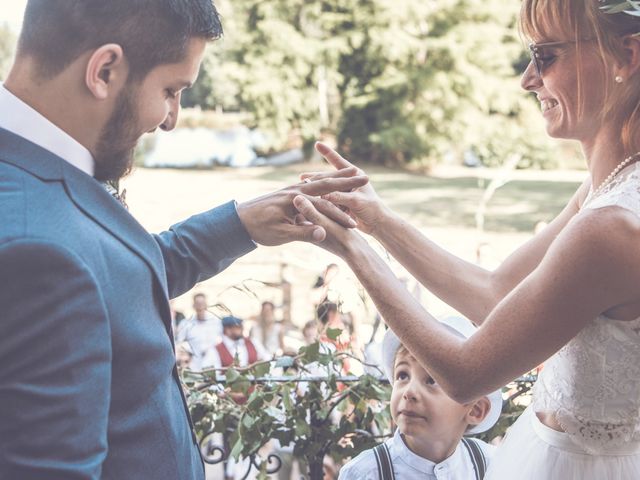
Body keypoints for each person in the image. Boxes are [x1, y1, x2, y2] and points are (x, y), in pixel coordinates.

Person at [0, 1, 367, 478]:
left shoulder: (34, 170)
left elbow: (108, 283)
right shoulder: (36, 250)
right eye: (171, 90)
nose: (171, 118)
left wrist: (239, 224)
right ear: (105, 70)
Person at [292, 1, 640, 478]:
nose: (527, 79)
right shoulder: (610, 189)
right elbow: (495, 295)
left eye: (545, 55)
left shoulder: (612, 225)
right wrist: (379, 221)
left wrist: (352, 249)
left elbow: (465, 374)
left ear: (627, 57)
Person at [339, 316, 501, 480]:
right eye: (402, 376)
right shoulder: (364, 473)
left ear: (475, 409)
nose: (409, 392)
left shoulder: (490, 465)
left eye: (432, 380)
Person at [176, 293, 223, 370]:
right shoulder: (186, 323)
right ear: (193, 305)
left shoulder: (216, 322)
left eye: (202, 303)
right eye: (198, 304)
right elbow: (179, 342)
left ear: (206, 305)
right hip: (193, 363)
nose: (200, 306)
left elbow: (221, 340)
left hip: (212, 362)